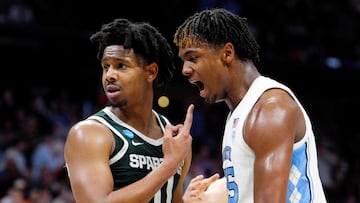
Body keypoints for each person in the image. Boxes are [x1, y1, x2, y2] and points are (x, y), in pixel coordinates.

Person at [173, 8, 327, 203]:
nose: (185, 70)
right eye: (184, 61)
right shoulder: (239, 112)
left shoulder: (270, 109)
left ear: (227, 53)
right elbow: (243, 185)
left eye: (193, 58)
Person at [64, 18, 194, 203]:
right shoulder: (89, 134)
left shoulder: (175, 139)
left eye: (121, 66)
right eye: (106, 66)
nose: (109, 75)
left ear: (151, 72)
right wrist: (169, 165)